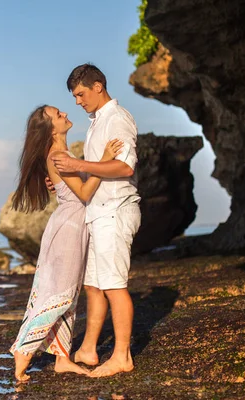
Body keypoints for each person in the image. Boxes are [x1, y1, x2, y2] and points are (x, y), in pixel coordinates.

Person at [9, 104, 123, 382]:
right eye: (58, 115)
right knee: (59, 294)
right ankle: (23, 350)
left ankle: (62, 358)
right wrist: (104, 162)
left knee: (68, 295)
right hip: (69, 228)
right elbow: (84, 192)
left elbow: (72, 186)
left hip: (72, 225)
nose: (64, 115)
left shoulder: (62, 154)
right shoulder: (58, 154)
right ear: (50, 128)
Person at [51, 63, 141, 378]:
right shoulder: (97, 122)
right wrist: (65, 178)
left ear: (98, 86)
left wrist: (77, 162)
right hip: (97, 212)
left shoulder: (117, 119)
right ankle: (88, 349)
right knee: (93, 285)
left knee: (115, 286)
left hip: (115, 210)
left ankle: (121, 357)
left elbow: (124, 168)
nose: (77, 101)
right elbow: (94, 172)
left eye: (80, 94)